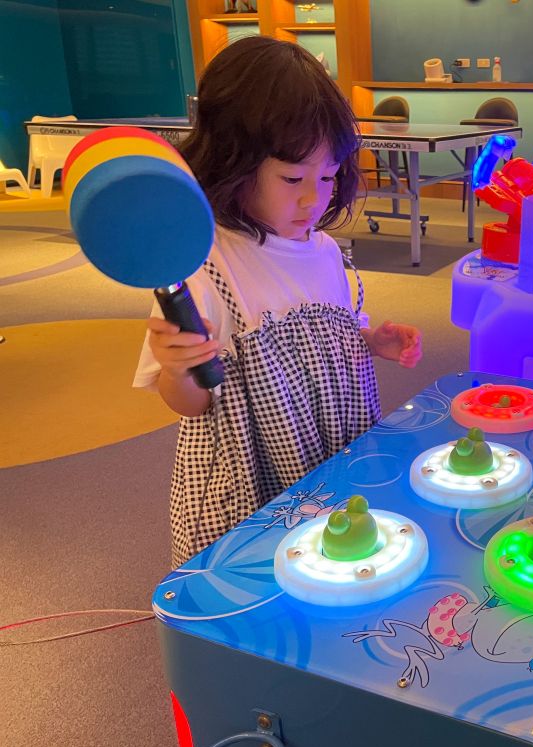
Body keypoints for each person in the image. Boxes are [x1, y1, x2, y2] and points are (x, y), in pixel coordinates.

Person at [133, 36, 422, 567]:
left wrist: (370, 341)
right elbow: (192, 405)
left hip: (334, 452)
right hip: (254, 478)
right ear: (233, 160)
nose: (314, 198)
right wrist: (178, 369)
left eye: (328, 176)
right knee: (262, 577)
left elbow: (332, 339)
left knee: (337, 562)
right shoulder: (203, 263)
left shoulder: (326, 251)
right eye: (292, 178)